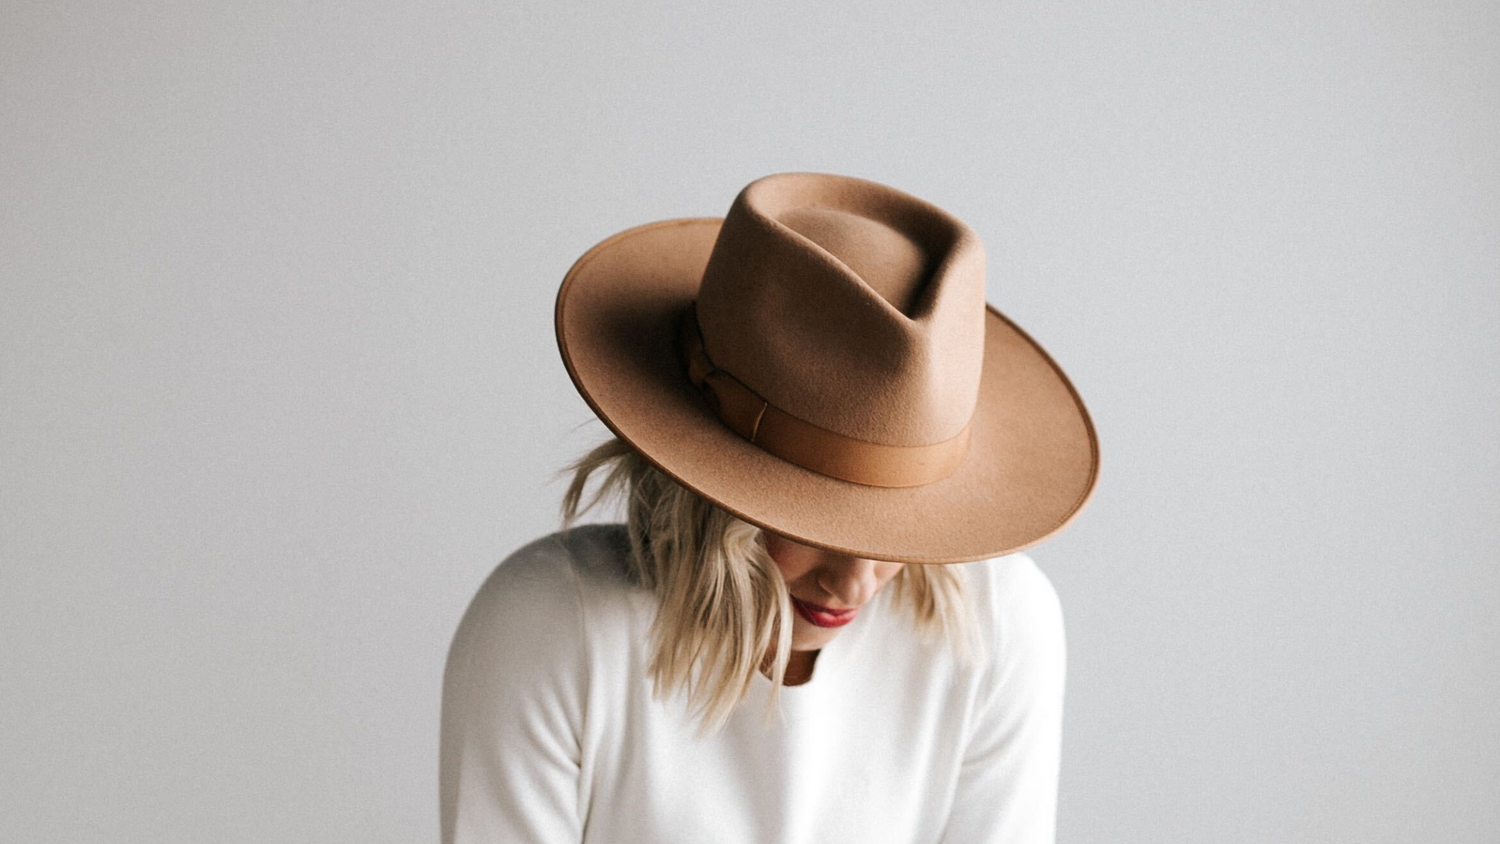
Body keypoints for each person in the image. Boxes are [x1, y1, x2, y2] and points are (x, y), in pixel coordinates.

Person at [439, 172, 1100, 844]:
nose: (853, 582)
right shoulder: (558, 629)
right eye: (815, 524)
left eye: (898, 530)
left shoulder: (997, 625)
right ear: (715, 494)